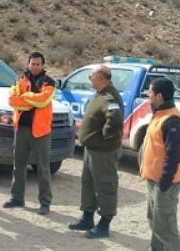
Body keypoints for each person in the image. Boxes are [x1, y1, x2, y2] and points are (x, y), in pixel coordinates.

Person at [68, 65, 124, 239]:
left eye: (91, 77)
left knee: (105, 186)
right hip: (92, 150)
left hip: (103, 152)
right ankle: (87, 217)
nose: (89, 80)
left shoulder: (109, 96)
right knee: (89, 184)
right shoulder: (100, 94)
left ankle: (104, 224)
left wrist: (106, 137)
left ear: (100, 78)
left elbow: (114, 119)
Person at [3, 51, 57, 215]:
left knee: (43, 168)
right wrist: (31, 100)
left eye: (38, 64)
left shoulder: (49, 82)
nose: (34, 66)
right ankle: (17, 198)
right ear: (28, 64)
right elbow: (12, 100)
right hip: (22, 129)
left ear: (43, 65)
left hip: (41, 131)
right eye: (32, 63)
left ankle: (45, 202)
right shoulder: (19, 79)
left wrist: (24, 97)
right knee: (18, 166)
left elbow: (43, 101)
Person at [140, 78, 180, 251]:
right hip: (155, 181)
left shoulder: (171, 120)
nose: (147, 95)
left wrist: (164, 184)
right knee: (155, 221)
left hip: (164, 183)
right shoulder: (160, 113)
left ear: (159, 96)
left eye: (150, 92)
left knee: (166, 228)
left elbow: (173, 155)